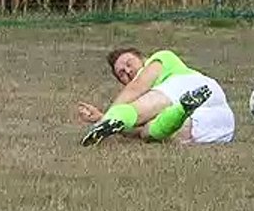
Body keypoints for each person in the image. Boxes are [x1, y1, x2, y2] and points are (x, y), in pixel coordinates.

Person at [78, 47, 235, 146]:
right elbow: (134, 130)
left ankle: (181, 108)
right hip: (219, 127)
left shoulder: (162, 58)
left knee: (144, 109)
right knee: (146, 132)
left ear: (143, 58)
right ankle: (181, 110)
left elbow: (135, 88)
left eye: (128, 63)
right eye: (121, 74)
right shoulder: (143, 98)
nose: (127, 70)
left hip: (196, 87)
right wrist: (101, 118)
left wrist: (105, 119)